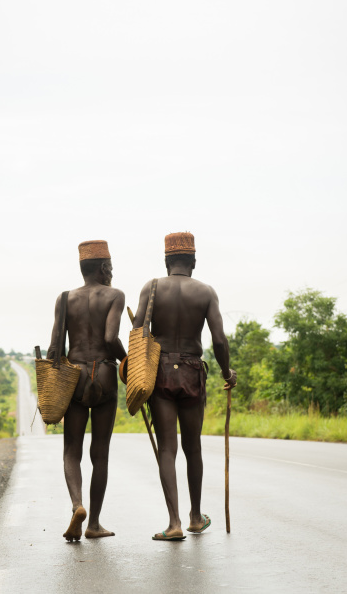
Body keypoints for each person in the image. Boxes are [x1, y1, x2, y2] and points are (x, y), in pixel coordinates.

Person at [132, 232, 237, 541]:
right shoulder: (205, 292)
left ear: (167, 262)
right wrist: (226, 371)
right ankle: (195, 517)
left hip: (160, 372)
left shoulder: (151, 288)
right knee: (193, 447)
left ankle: (173, 523)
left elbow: (138, 332)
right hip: (192, 371)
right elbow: (219, 339)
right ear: (193, 261)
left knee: (168, 448)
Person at [47, 240, 126, 541]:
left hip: (75, 376)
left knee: (71, 450)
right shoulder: (115, 296)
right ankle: (93, 524)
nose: (112, 274)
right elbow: (110, 337)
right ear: (104, 268)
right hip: (105, 373)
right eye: (111, 268)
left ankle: (76, 505)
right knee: (100, 454)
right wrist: (129, 363)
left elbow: (56, 348)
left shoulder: (65, 298)